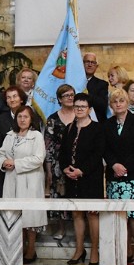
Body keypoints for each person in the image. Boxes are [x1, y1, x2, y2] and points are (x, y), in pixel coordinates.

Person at [104, 89, 134, 265]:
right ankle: (125, 253)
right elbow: (104, 148)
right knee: (120, 217)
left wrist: (126, 166)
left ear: (127, 102)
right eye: (115, 101)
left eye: (121, 100)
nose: (118, 104)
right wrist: (114, 164)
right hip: (115, 177)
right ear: (111, 105)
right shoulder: (107, 124)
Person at [59, 93, 105, 265]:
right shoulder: (69, 127)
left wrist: (81, 170)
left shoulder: (97, 128)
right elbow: (62, 152)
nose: (78, 109)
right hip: (72, 178)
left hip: (91, 178)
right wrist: (65, 168)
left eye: (82, 107)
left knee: (92, 214)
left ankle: (94, 250)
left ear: (89, 110)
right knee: (77, 213)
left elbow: (98, 154)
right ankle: (79, 250)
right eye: (76, 106)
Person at [0, 105, 47, 264]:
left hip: (30, 180)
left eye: (25, 117)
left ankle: (31, 249)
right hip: (12, 180)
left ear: (31, 119)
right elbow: (1, 153)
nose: (22, 120)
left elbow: (39, 159)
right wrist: (4, 163)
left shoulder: (36, 136)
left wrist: (16, 163)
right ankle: (18, 248)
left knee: (30, 217)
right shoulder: (10, 135)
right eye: (19, 117)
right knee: (15, 216)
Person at [44, 84, 76, 241]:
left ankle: (79, 230)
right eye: (66, 95)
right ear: (59, 99)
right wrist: (49, 170)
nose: (70, 98)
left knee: (78, 195)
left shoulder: (82, 115)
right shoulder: (52, 119)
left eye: (72, 95)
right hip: (58, 165)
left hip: (79, 163)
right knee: (59, 196)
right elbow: (48, 146)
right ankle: (61, 228)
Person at [0, 86, 28, 198]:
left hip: (25, 164)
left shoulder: (31, 116)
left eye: (15, 96)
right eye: (9, 97)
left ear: (21, 99)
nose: (12, 100)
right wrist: (1, 163)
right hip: (7, 165)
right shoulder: (1, 118)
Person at [83, 53, 108, 122]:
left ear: (96, 66)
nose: (90, 65)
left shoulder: (102, 84)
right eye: (87, 62)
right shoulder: (73, 82)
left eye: (93, 62)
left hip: (96, 124)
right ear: (82, 64)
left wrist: (87, 93)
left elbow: (103, 105)